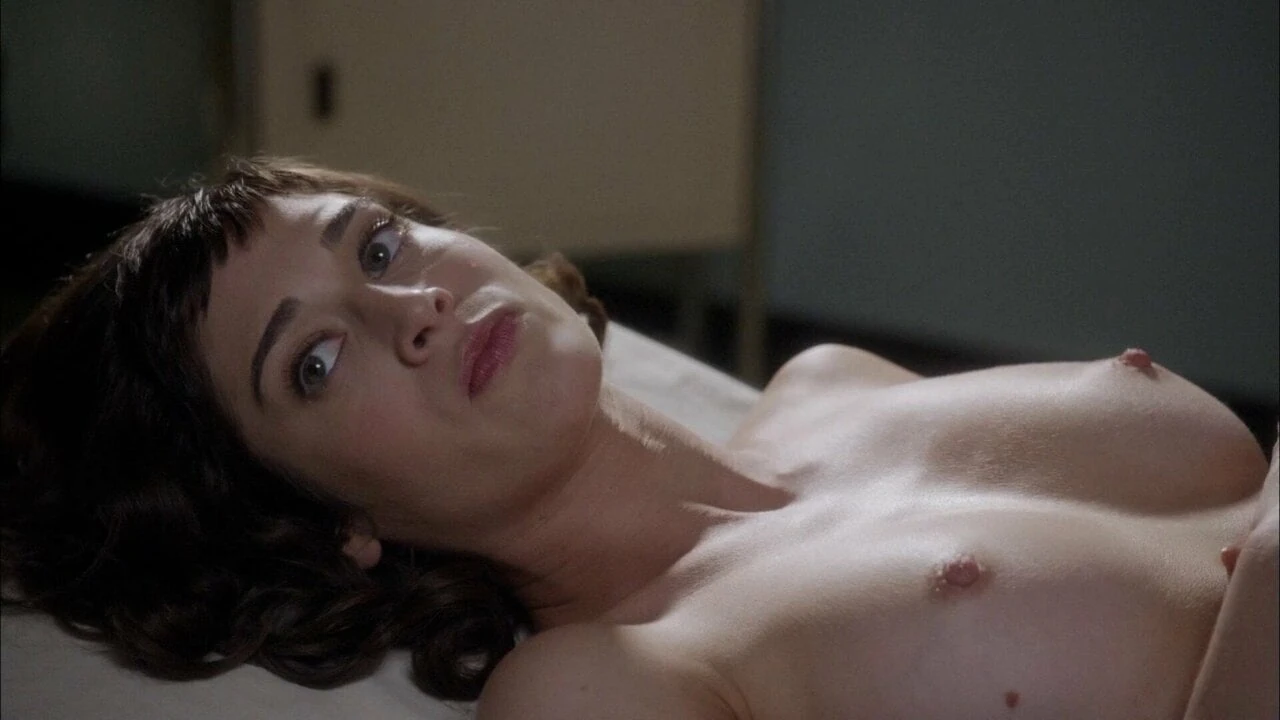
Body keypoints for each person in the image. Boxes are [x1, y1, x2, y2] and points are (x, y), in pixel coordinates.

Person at [1, 157, 1273, 719]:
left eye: (377, 246)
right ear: (326, 525)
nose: (413, 307)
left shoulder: (830, 381)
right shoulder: (593, 688)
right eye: (316, 362)